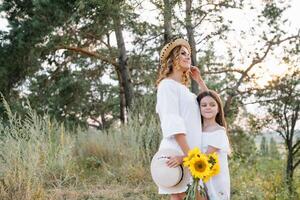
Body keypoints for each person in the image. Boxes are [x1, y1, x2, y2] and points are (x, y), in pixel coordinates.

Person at [155, 38, 208, 200]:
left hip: (189, 154)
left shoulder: (187, 92)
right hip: (178, 153)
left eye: (189, 54)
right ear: (173, 59)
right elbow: (173, 123)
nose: (187, 57)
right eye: (182, 53)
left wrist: (199, 81)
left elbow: (211, 106)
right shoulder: (166, 86)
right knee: (184, 196)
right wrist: (190, 158)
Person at [197, 90, 231, 200]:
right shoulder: (196, 129)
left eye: (212, 105)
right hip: (199, 175)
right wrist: (200, 82)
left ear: (218, 109)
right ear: (199, 108)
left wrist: (181, 159)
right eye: (204, 105)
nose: (208, 107)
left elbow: (204, 157)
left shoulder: (219, 132)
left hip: (215, 180)